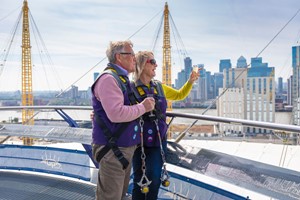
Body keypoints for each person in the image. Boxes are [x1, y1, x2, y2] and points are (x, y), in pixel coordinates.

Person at [91, 41, 156, 200]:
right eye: (131, 55)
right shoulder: (109, 79)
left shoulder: (120, 79)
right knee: (111, 196)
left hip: (120, 148)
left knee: (118, 195)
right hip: (113, 150)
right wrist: (143, 107)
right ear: (119, 57)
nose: (135, 58)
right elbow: (116, 114)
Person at [131, 51, 199, 200]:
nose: (156, 65)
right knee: (139, 179)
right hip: (138, 142)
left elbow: (179, 95)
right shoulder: (130, 89)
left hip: (158, 141)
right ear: (142, 65)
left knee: (154, 178)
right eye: (152, 61)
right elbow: (119, 109)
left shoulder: (159, 87)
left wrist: (190, 82)